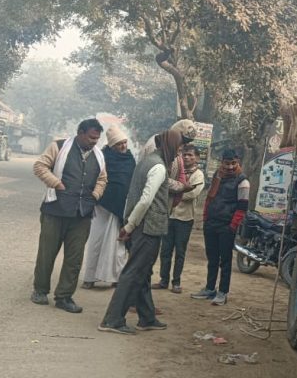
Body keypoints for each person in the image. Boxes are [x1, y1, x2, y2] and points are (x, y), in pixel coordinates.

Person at [98, 130, 182, 335]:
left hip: (141, 226)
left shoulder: (146, 161)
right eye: (178, 148)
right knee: (134, 273)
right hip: (148, 228)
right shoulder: (159, 167)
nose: (179, 153)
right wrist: (130, 226)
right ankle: (112, 320)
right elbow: (145, 199)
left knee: (142, 272)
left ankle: (147, 317)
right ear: (170, 146)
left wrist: (130, 223)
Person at [31, 119, 108, 313]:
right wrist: (57, 183)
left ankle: (64, 297)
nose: (94, 142)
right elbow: (40, 166)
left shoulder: (99, 155)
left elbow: (102, 179)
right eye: (91, 137)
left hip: (82, 214)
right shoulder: (59, 147)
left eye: (97, 138)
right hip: (55, 210)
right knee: (47, 253)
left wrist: (95, 195)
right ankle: (40, 290)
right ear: (80, 133)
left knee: (74, 258)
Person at [191, 148, 249, 306]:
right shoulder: (217, 175)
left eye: (233, 163)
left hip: (226, 226)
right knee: (212, 259)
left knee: (225, 261)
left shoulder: (243, 181)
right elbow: (209, 198)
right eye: (226, 163)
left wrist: (232, 226)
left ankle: (223, 292)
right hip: (211, 223)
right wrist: (205, 217)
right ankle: (210, 289)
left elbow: (242, 208)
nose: (229, 167)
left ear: (238, 163)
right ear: (221, 162)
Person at [81, 126, 136, 289]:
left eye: (125, 143)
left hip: (121, 207)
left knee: (117, 243)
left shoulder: (130, 159)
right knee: (96, 241)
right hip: (102, 206)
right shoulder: (102, 157)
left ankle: (116, 278)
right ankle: (89, 278)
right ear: (112, 145)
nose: (124, 146)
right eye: (120, 144)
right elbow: (93, 178)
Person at [154, 144, 205, 293]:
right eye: (185, 154)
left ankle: (176, 282)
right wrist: (177, 191)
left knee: (180, 252)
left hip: (185, 218)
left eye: (190, 155)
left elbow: (193, 194)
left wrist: (174, 193)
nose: (187, 157)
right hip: (170, 215)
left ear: (197, 158)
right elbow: (167, 187)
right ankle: (164, 280)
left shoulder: (198, 175)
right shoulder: (175, 170)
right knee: (165, 250)